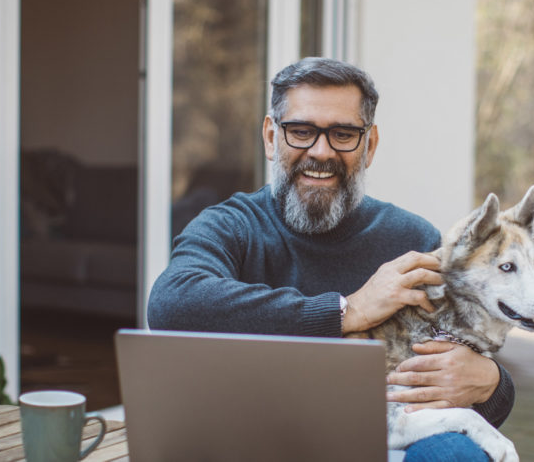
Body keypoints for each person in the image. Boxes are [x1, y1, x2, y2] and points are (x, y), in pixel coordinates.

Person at [148, 57, 514, 461]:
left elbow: (456, 374)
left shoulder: (413, 240)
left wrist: (491, 382)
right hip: (255, 432)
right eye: (301, 131)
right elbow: (171, 303)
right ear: (271, 137)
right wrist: (347, 311)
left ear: (369, 145)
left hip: (380, 433)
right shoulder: (232, 226)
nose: (321, 152)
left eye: (343, 134)